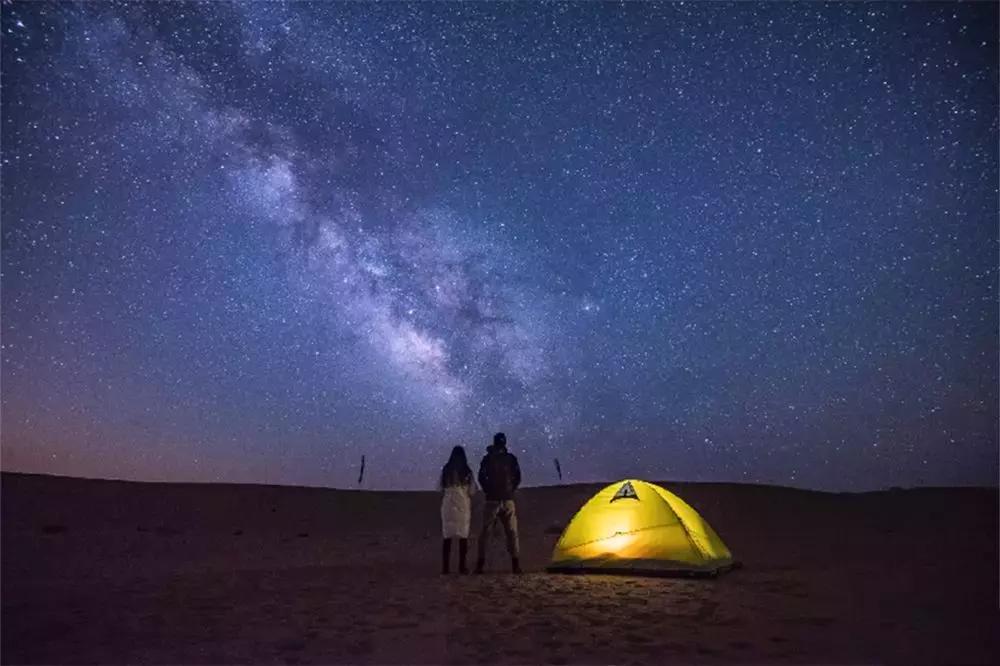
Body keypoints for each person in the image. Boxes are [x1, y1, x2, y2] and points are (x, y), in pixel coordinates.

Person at [475, 432, 522, 574]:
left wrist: (488, 490)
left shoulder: (487, 459)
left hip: (493, 499)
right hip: (507, 499)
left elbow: (481, 477)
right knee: (512, 532)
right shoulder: (511, 459)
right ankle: (515, 565)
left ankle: (480, 565)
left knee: (485, 532)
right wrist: (511, 489)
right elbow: (517, 477)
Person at [439, 446, 475, 574]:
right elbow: (472, 490)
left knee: (447, 536)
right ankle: (462, 567)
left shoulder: (446, 469)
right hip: (462, 503)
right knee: (463, 536)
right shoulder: (467, 471)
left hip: (448, 503)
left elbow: (440, 487)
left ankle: (445, 568)